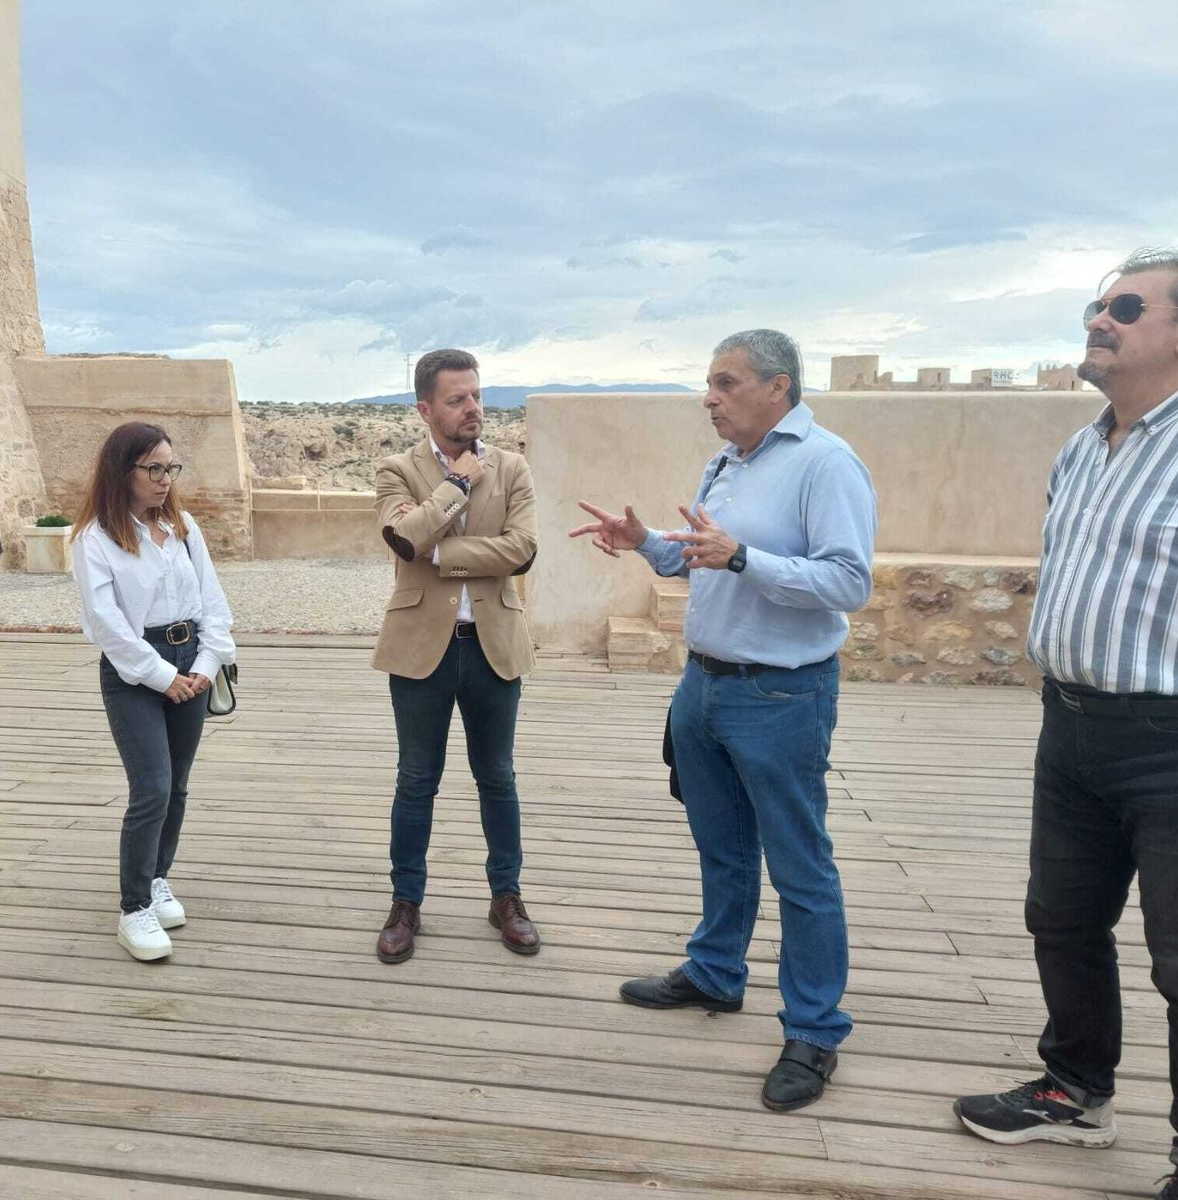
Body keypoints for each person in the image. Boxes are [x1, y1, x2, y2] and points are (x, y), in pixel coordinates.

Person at [572, 328, 875, 1111]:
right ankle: (715, 972)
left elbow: (848, 582)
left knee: (800, 865)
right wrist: (646, 543)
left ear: (779, 387)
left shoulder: (826, 464)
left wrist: (743, 557)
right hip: (703, 686)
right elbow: (701, 557)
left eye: (726, 383)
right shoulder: (730, 461)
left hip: (781, 696)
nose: (709, 398)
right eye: (709, 383)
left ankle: (814, 1030)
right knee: (722, 847)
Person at [954, 249, 1178, 1200]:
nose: (1100, 319)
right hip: (1071, 727)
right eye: (1096, 305)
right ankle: (1077, 1091)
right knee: (1061, 917)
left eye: (1126, 307)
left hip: (1172, 742)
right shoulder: (1080, 449)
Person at [372, 348, 541, 964]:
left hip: (495, 644)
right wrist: (459, 484)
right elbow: (403, 536)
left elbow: (522, 550)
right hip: (421, 649)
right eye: (457, 399)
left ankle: (506, 896)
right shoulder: (396, 469)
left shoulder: (513, 467)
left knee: (497, 776)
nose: (473, 408)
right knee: (417, 779)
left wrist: (441, 554)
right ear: (425, 409)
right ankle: (406, 902)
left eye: (476, 395)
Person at [72, 422, 235, 962]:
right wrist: (164, 677)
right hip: (136, 672)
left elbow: (213, 602)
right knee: (152, 788)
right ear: (124, 472)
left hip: (194, 662)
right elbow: (108, 626)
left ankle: (158, 876)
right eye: (154, 468)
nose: (165, 479)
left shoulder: (183, 526)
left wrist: (207, 664)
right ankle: (134, 907)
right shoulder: (96, 540)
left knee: (178, 786)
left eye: (170, 467)